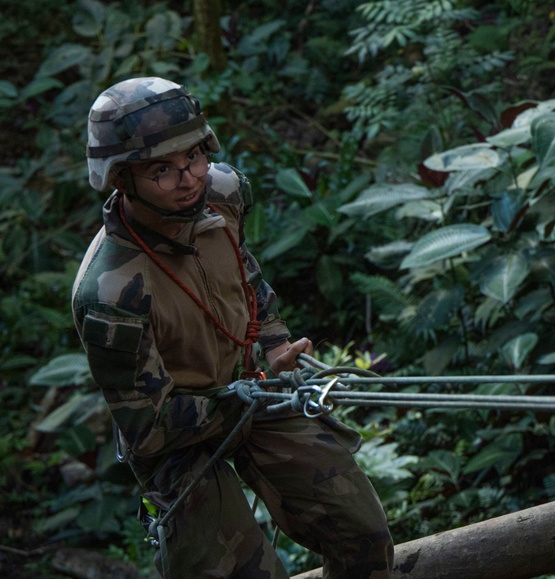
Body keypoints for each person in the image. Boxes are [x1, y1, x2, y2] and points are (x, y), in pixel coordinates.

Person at [72, 77, 393, 578]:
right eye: (163, 170)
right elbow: (150, 430)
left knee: (363, 537)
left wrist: (274, 344)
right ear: (120, 179)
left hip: (255, 393)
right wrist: (243, 397)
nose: (189, 178)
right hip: (179, 436)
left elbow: (247, 279)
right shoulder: (110, 293)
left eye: (195, 157)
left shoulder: (224, 193)